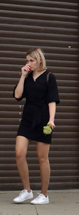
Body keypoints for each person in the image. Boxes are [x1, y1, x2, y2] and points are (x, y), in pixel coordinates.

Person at [13, 47, 57, 205]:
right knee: (19, 153)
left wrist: (51, 120)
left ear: (39, 60)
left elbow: (52, 100)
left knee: (42, 158)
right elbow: (17, 95)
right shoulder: (27, 77)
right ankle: (27, 191)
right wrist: (23, 75)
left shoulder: (49, 77)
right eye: (27, 61)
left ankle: (44, 195)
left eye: (31, 60)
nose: (28, 63)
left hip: (43, 120)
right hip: (27, 119)